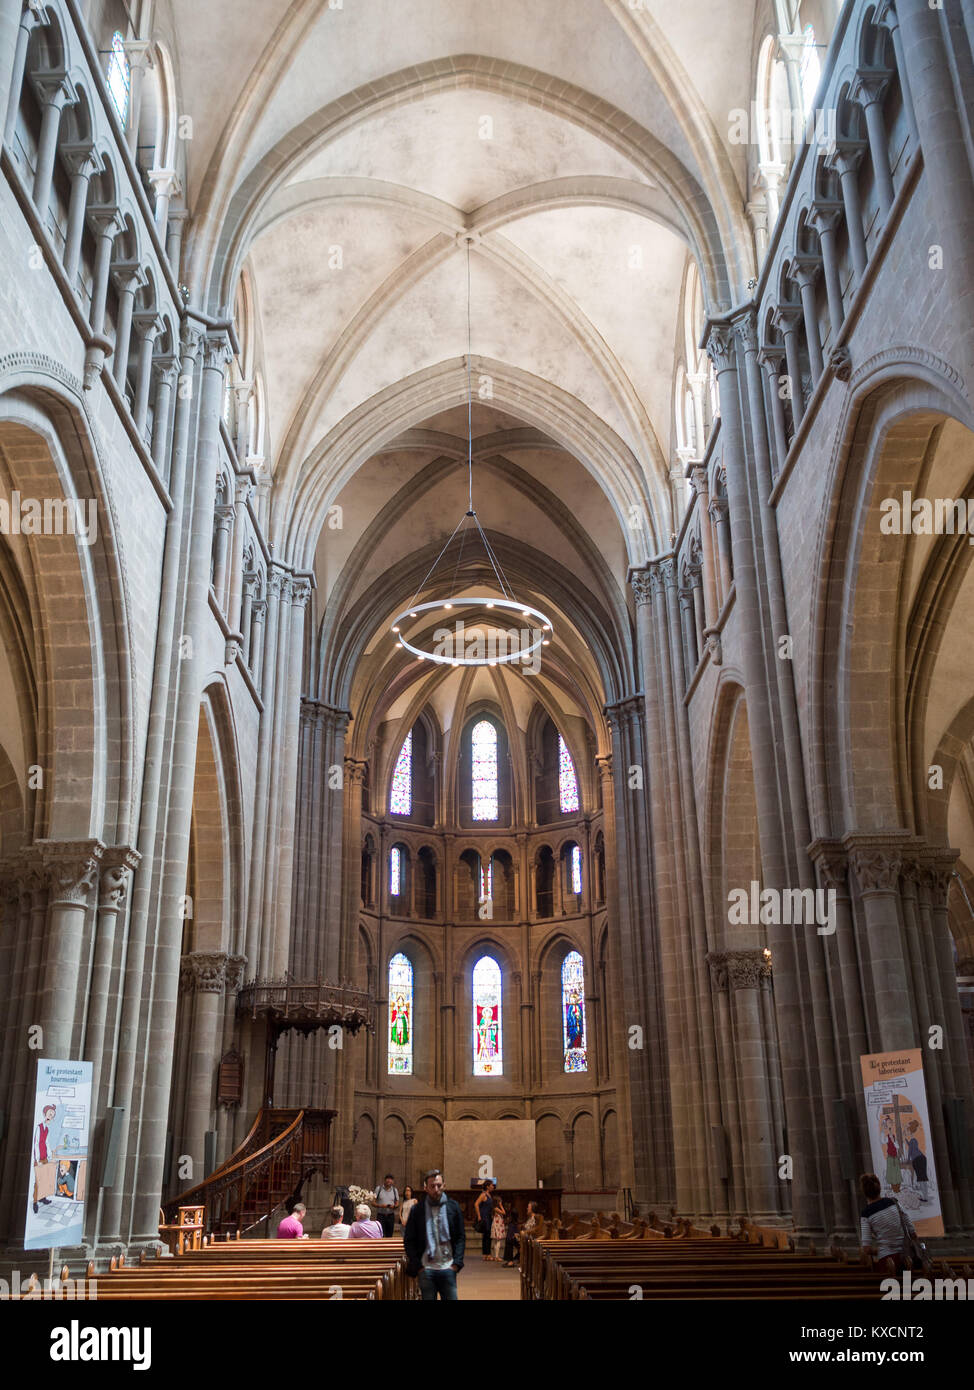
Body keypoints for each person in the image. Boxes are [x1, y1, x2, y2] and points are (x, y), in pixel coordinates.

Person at [403, 1168, 465, 1301]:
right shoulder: (417, 1210)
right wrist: (419, 1267)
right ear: (426, 1188)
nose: (436, 1189)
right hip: (427, 1269)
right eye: (432, 1186)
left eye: (439, 1185)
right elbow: (409, 1240)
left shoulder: (453, 1207)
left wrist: (456, 1264)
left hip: (448, 1267)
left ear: (444, 1185)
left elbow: (460, 1236)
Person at [859, 1172, 915, 1272]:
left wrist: (881, 1249)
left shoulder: (866, 1214)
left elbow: (866, 1249)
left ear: (864, 1192)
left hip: (887, 1260)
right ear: (879, 1187)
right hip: (907, 1256)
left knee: (892, 1286)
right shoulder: (893, 1202)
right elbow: (912, 1231)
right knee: (909, 1285)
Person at [31, 1103, 56, 1215]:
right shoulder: (39, 1127)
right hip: (39, 1158)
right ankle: (35, 1202)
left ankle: (43, 1197)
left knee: (45, 1179)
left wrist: (50, 1156)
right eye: (50, 1113)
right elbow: (36, 1143)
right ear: (44, 1113)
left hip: (45, 1157)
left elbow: (47, 1143)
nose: (51, 1116)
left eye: (53, 1115)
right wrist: (37, 1159)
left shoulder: (48, 1129)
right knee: (38, 1181)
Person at [904, 1120, 931, 1202]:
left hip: (918, 1159)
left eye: (907, 1131)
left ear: (910, 1131)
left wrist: (908, 1160)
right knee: (922, 1178)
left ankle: (925, 1197)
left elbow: (910, 1151)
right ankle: (925, 1196)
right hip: (920, 1158)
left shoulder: (913, 1140)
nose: (906, 1132)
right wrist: (906, 1141)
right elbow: (912, 1147)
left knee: (921, 1178)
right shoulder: (913, 1140)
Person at [473, 1179, 495, 1260]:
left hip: (489, 1217)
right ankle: (486, 1254)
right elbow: (476, 1204)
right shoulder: (483, 1194)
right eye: (492, 1185)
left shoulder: (489, 1195)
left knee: (488, 1236)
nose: (493, 1187)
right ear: (487, 1186)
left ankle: (487, 1254)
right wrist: (479, 1215)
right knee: (486, 1235)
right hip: (484, 1217)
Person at [490, 1197, 507, 1262]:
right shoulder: (496, 1208)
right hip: (497, 1225)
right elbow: (504, 1212)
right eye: (500, 1201)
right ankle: (496, 1256)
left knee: (496, 1241)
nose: (501, 1202)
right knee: (498, 1241)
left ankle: (496, 1256)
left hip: (498, 1224)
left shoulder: (495, 1208)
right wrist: (501, 1205)